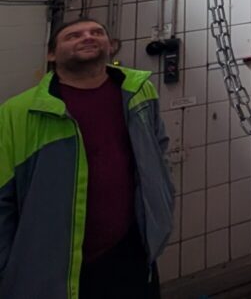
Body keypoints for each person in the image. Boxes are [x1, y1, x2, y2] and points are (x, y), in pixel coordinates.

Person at [0, 17, 174, 299]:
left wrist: (161, 211)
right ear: (51, 54)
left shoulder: (139, 92)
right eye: (73, 35)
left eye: (97, 32)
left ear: (110, 46)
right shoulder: (19, 111)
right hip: (53, 266)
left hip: (131, 252)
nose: (88, 37)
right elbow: (3, 196)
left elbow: (159, 151)